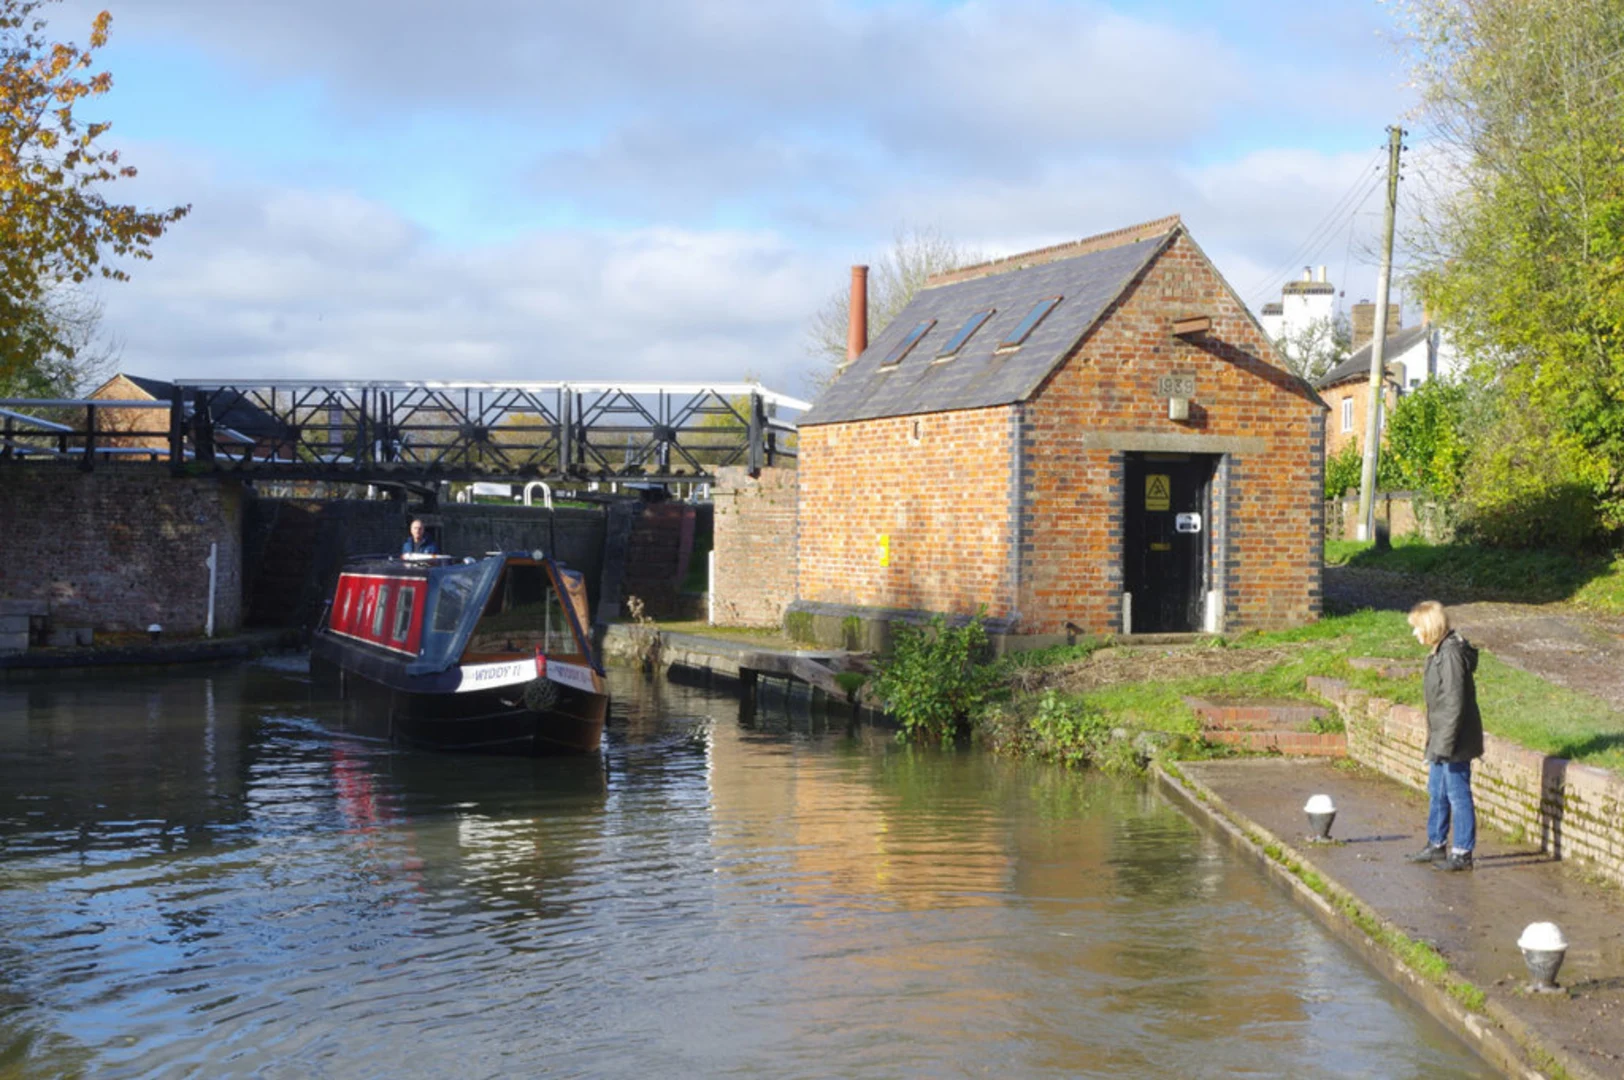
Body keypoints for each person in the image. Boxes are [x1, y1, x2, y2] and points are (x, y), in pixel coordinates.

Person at [1405, 600, 1483, 872]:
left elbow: (1454, 702)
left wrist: (1444, 746)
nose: (1415, 634)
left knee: (1457, 794)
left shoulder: (1450, 654)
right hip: (1441, 737)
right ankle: (1436, 844)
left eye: (1417, 629)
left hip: (1455, 739)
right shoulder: (1438, 651)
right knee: (1436, 791)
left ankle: (1462, 852)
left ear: (1429, 626)